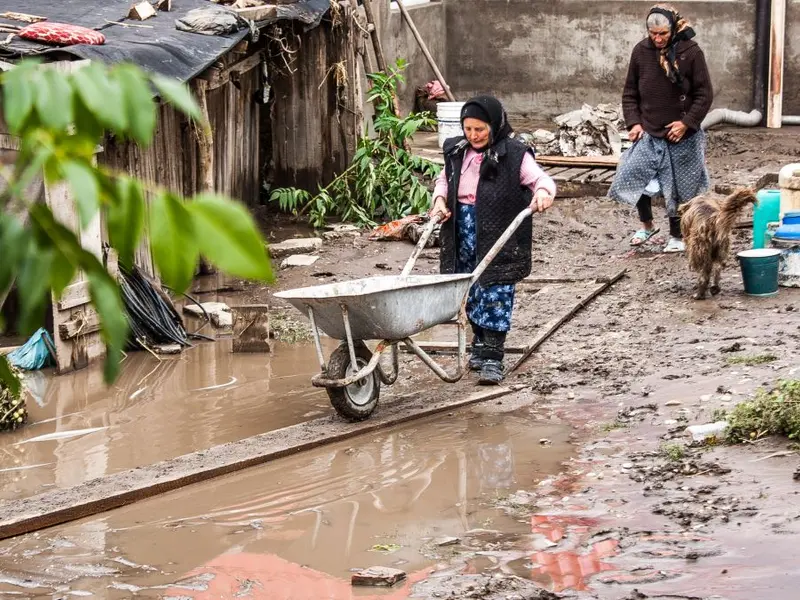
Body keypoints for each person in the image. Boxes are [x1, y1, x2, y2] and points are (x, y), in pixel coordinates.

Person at [429, 95, 556, 385]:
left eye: (480, 130)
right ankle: (479, 344)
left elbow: (540, 179)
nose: (473, 135)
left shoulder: (514, 154)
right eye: (468, 129)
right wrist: (439, 201)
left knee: (496, 291)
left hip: (499, 230)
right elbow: (444, 180)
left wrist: (543, 194)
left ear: (494, 125)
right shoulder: (457, 151)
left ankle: (493, 356)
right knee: (468, 288)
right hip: (463, 227)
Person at [609, 4, 713, 253]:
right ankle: (647, 226)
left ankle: (677, 235)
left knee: (680, 187)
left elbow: (704, 94)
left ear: (673, 29)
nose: (657, 39)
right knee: (633, 174)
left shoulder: (690, 53)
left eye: (662, 34)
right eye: (652, 33)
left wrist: (686, 123)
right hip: (650, 131)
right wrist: (634, 123)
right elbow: (630, 92)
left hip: (681, 136)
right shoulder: (641, 52)